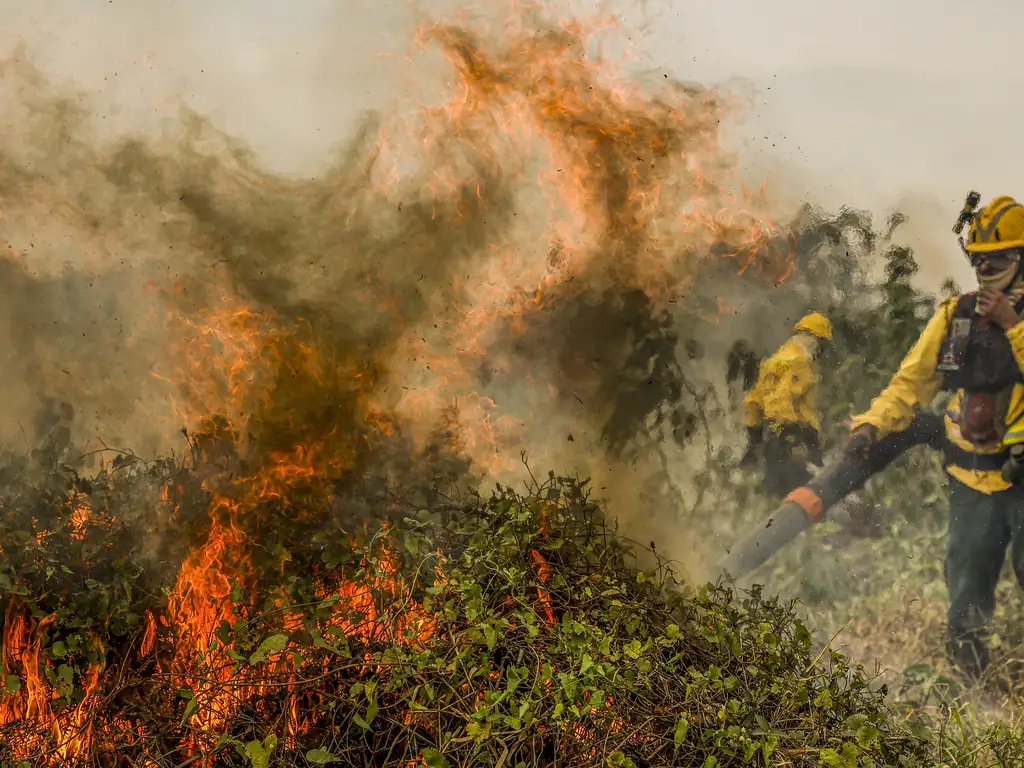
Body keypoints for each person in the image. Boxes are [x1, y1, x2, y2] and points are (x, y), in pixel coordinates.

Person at [846, 194, 1024, 683]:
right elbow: (910, 383)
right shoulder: (954, 316)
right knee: (966, 590)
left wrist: (1012, 325)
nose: (987, 268)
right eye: (979, 259)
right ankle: (974, 690)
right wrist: (872, 425)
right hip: (972, 478)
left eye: (1001, 258)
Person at [741, 312, 832, 498]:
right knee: (807, 498)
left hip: (771, 440)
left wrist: (754, 441)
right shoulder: (801, 361)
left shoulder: (774, 360)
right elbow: (784, 401)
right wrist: (798, 437)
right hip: (790, 440)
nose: (820, 350)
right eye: (822, 344)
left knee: (774, 497)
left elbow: (753, 402)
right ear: (814, 339)